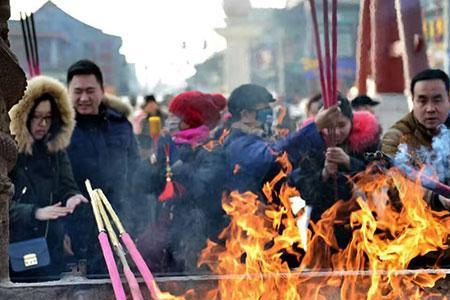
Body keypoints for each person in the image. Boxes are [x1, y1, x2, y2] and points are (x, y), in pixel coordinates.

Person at [8, 75, 87, 281]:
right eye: (37, 117)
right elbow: (2, 204)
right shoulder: (8, 151)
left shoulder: (56, 150)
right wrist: (35, 213)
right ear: (24, 115)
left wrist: (73, 197)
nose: (43, 124)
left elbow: (67, 186)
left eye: (49, 117)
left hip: (52, 247)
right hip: (15, 249)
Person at [65, 59, 139, 275]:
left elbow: (136, 173)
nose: (84, 98)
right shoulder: (57, 129)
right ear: (68, 92)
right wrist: (59, 232)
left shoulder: (120, 125)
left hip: (119, 222)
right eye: (77, 91)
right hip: (75, 227)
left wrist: (138, 221)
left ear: (102, 90)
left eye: (90, 90)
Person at [290, 94, 381, 223]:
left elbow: (382, 176)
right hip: (322, 225)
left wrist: (350, 162)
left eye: (342, 125)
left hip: (362, 222)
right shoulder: (310, 149)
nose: (336, 132)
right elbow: (304, 193)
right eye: (329, 126)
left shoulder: (368, 143)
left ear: (352, 122)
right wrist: (324, 173)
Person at [381, 68, 450, 210]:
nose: (430, 108)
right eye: (422, 101)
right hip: (416, 221)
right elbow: (397, 183)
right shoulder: (396, 137)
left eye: (437, 100)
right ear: (413, 101)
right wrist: (435, 199)